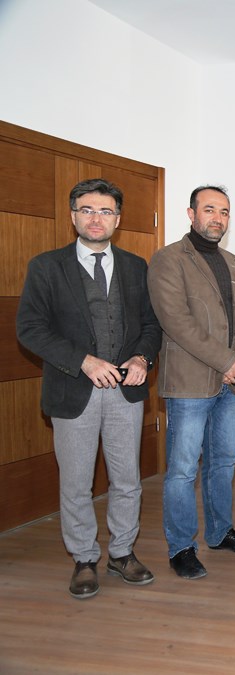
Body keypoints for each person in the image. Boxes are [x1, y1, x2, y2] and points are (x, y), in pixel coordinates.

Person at [16, 178, 162, 599]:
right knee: (77, 483)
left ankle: (122, 552)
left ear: (118, 219)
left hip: (125, 392)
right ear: (73, 215)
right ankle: (83, 558)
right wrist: (83, 360)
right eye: (87, 210)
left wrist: (142, 359)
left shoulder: (136, 266)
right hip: (72, 391)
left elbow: (151, 325)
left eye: (105, 211)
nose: (96, 218)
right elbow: (30, 328)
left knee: (127, 479)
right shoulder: (47, 266)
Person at [148, 185, 235, 580]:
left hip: (230, 383)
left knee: (223, 462)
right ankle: (181, 547)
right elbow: (176, 322)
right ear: (191, 213)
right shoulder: (168, 260)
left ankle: (220, 531)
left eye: (224, 212)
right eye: (209, 209)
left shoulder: (233, 262)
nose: (218, 218)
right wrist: (226, 360)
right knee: (183, 470)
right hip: (189, 384)